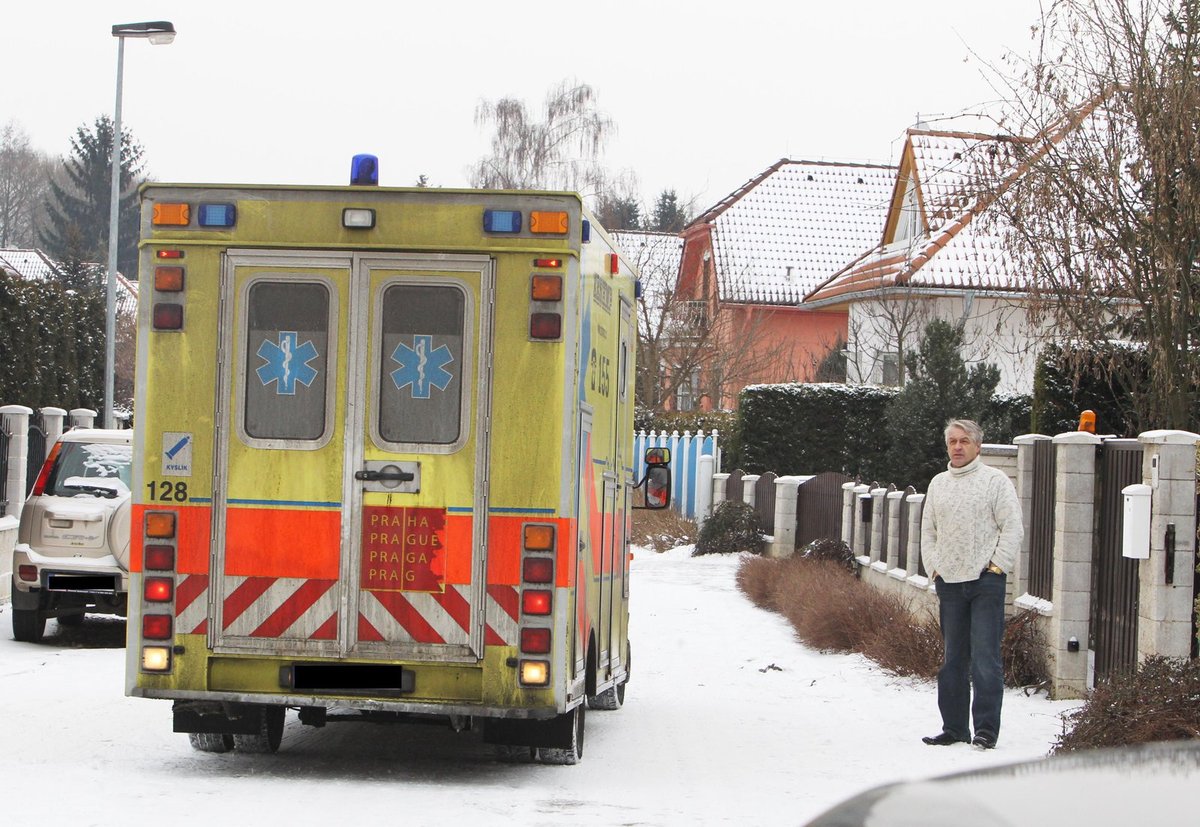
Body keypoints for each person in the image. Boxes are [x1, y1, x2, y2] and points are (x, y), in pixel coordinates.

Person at [919, 419, 1022, 750]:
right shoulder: (938, 484)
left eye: (964, 441)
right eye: (952, 441)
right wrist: (934, 567)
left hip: (985, 584)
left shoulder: (995, 481)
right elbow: (928, 531)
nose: (958, 447)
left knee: (985, 659)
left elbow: (1012, 527)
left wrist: (996, 567)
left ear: (978, 445)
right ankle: (954, 729)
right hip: (949, 583)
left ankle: (986, 731)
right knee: (953, 660)